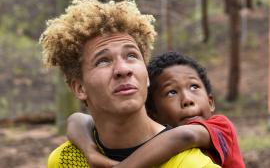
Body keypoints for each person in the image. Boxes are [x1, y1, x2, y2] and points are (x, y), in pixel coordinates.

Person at [40, 0, 219, 168]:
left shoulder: (193, 165)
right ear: (80, 88)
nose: (123, 69)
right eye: (103, 61)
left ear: (147, 76)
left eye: (131, 56)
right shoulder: (65, 161)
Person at [67, 52, 245, 168]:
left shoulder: (222, 127)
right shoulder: (156, 142)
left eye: (194, 87)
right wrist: (89, 151)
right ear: (152, 112)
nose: (187, 100)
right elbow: (77, 119)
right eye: (171, 92)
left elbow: (184, 136)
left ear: (211, 101)